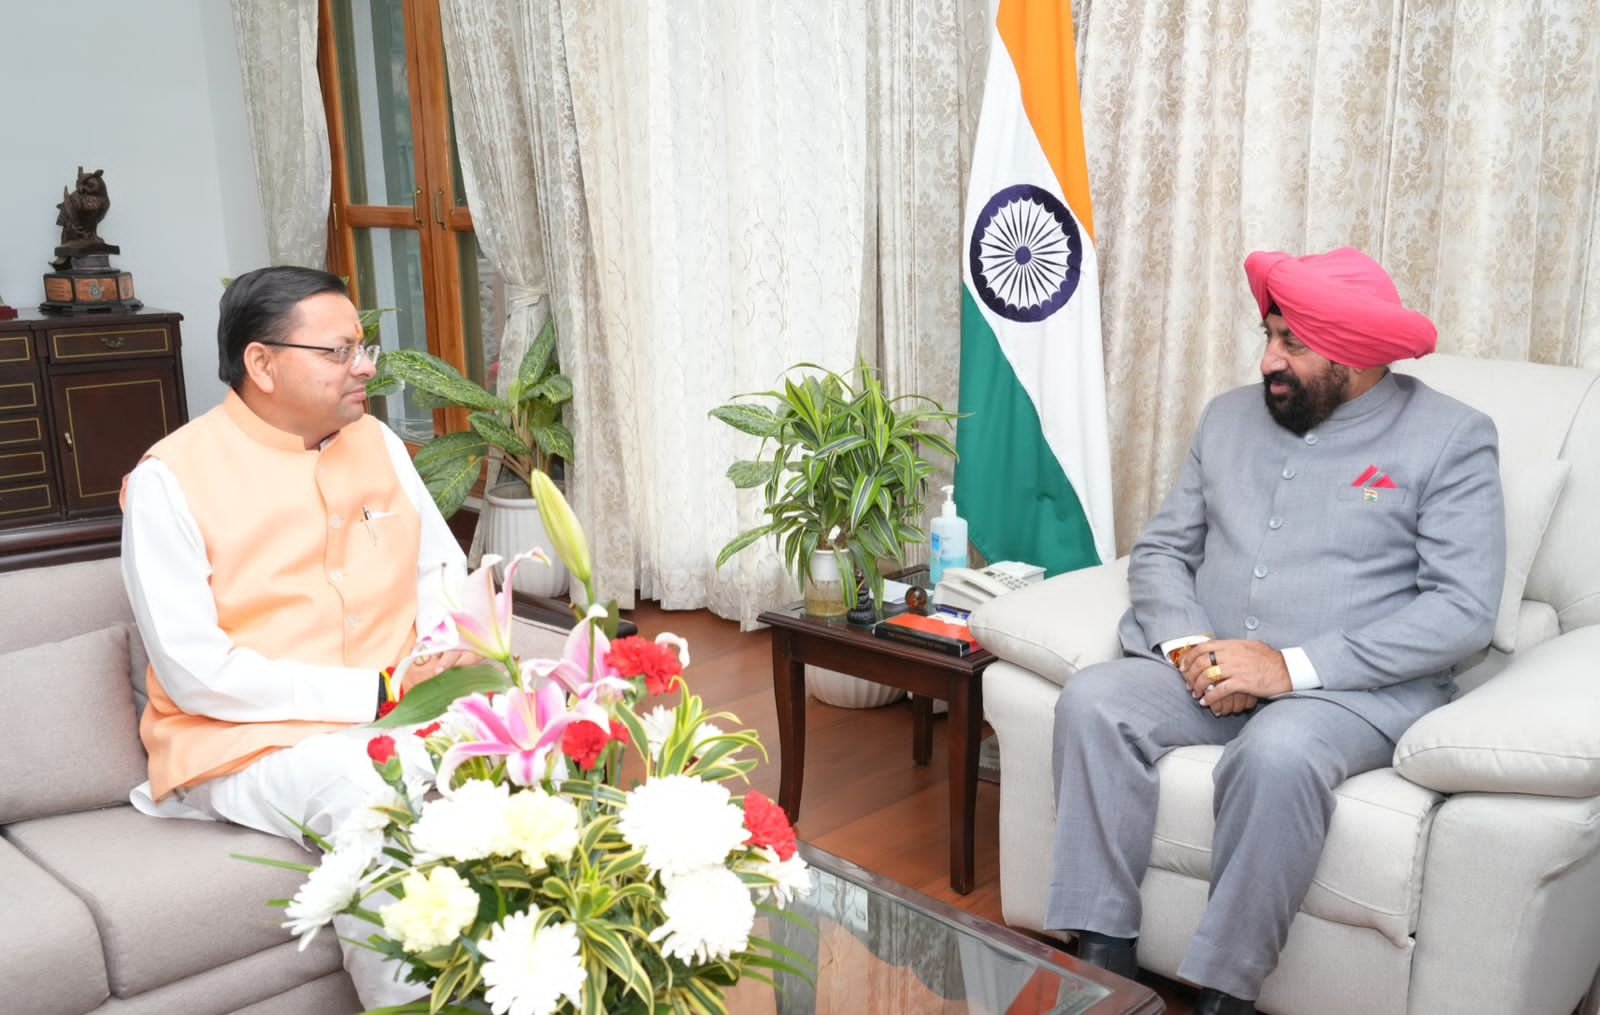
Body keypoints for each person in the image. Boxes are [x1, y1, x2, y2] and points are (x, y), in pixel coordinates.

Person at [1047, 248, 1506, 1015]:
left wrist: (1287, 668)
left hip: (1348, 692)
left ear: (1355, 352)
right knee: (1093, 700)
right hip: (1210, 666)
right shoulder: (1227, 417)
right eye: (1268, 335)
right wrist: (1194, 652)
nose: (1269, 359)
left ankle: (1224, 993)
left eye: (1293, 342)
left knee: (1277, 753)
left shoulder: (1451, 437)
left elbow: (1462, 610)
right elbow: (1161, 552)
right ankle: (1103, 965)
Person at [120, 266, 475, 1008]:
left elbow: (440, 569)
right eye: (339, 351)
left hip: (400, 705)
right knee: (368, 790)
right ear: (262, 363)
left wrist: (446, 652)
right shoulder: (170, 479)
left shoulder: (377, 441)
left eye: (364, 346)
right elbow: (196, 671)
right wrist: (378, 692)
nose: (366, 366)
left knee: (551, 731)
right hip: (248, 739)